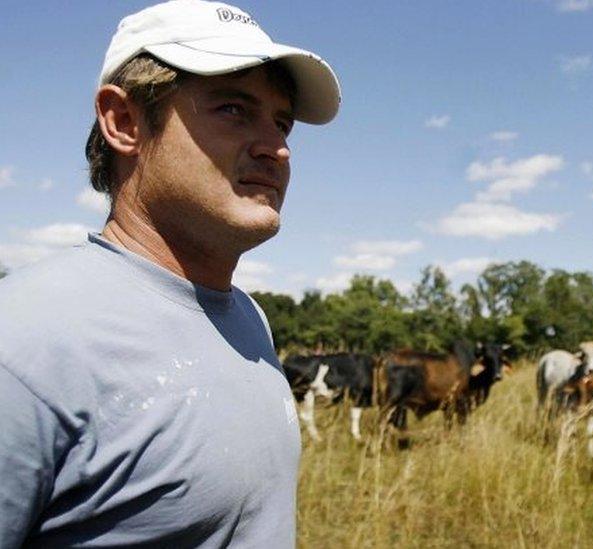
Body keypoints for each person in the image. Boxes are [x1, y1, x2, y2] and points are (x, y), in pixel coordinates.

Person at [0, 1, 340, 546]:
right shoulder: (24, 347)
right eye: (234, 108)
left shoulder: (249, 319)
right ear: (125, 122)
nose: (276, 147)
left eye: (282, 123)